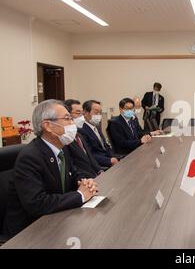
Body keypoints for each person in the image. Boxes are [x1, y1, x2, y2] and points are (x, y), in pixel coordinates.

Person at [3, 100, 98, 237]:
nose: (73, 123)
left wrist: (83, 182)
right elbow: (37, 203)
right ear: (48, 125)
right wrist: (80, 195)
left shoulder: (62, 148)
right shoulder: (30, 157)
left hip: (56, 220)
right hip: (28, 232)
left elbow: (72, 175)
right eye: (67, 118)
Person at [64, 99, 103, 178]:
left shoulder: (79, 135)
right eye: (78, 113)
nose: (82, 117)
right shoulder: (65, 138)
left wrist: (100, 171)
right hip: (83, 179)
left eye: (82, 114)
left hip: (94, 175)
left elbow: (90, 157)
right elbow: (73, 166)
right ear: (67, 115)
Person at [79, 100, 119, 168]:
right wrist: (109, 160)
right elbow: (89, 154)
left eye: (100, 112)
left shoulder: (96, 127)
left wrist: (113, 157)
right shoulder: (82, 130)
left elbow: (106, 146)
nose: (98, 115)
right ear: (85, 113)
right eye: (96, 112)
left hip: (109, 160)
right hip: (98, 165)